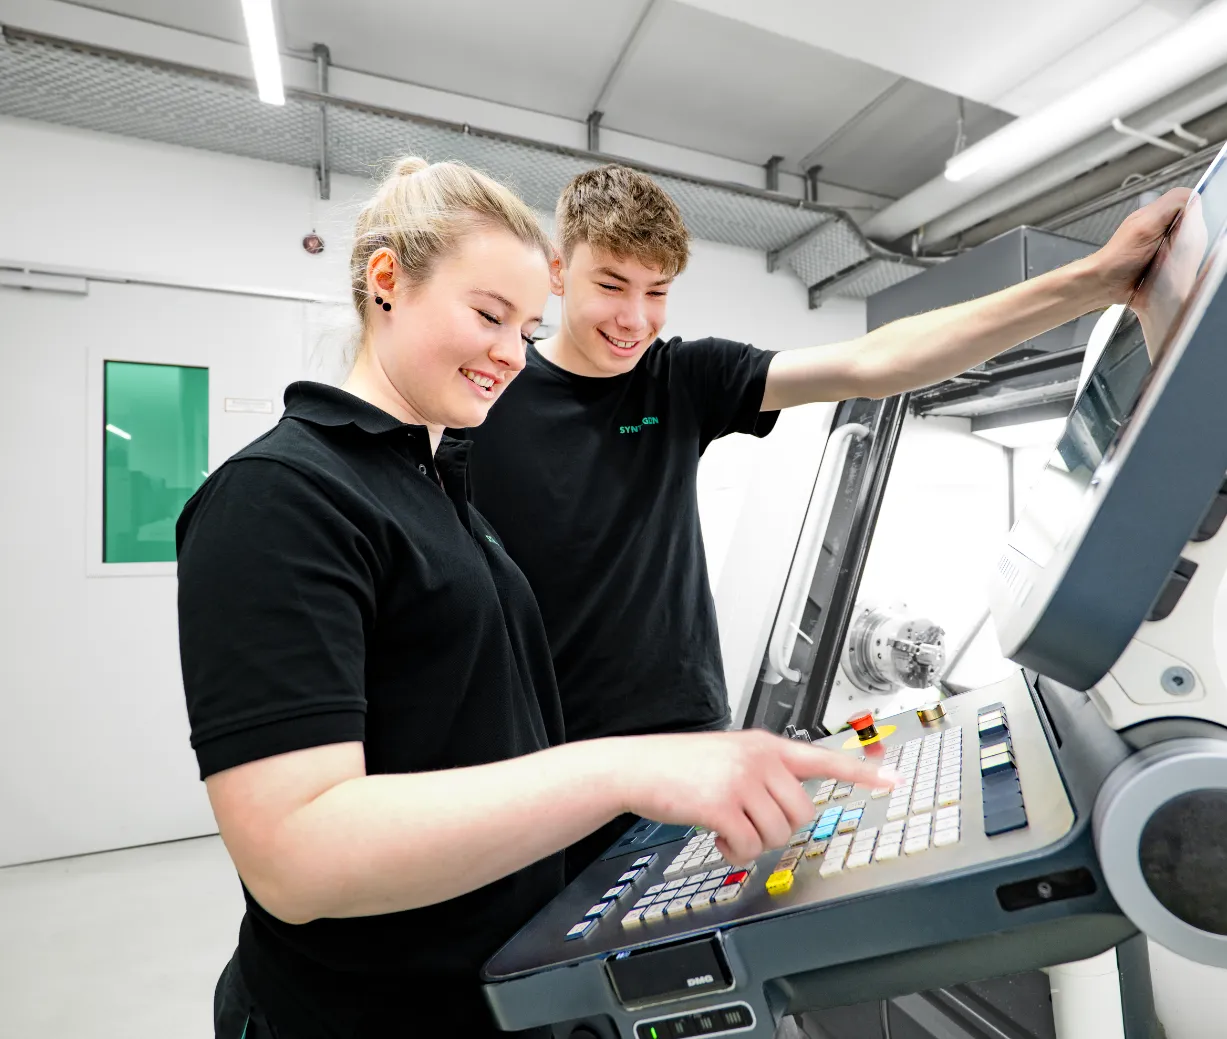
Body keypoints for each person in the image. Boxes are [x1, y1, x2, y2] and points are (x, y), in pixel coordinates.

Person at [176, 157, 889, 1039]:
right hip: (360, 1011)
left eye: (525, 325)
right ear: (386, 281)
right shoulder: (281, 496)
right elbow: (296, 856)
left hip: (496, 977)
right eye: (487, 315)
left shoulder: (434, 485)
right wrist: (629, 766)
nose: (512, 353)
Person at [458, 163, 1192, 882]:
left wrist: (1091, 281)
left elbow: (877, 360)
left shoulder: (680, 378)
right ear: (558, 271)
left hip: (694, 750)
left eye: (656, 292)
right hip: (551, 763)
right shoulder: (485, 398)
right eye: (610, 285)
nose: (634, 319)